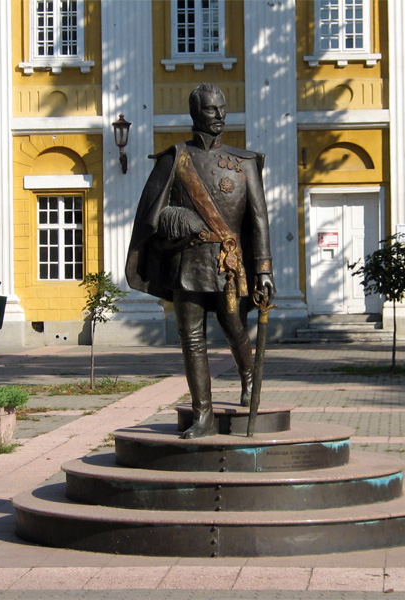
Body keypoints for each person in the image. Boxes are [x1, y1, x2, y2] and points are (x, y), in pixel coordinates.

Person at [126, 83, 275, 439]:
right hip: (187, 263)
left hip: (228, 265)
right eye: (211, 109)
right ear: (195, 113)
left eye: (222, 108)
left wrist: (263, 270)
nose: (219, 115)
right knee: (191, 340)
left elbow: (258, 220)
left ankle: (248, 378)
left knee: (234, 327)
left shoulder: (244, 163)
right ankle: (203, 415)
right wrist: (175, 220)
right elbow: (151, 214)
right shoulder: (175, 158)